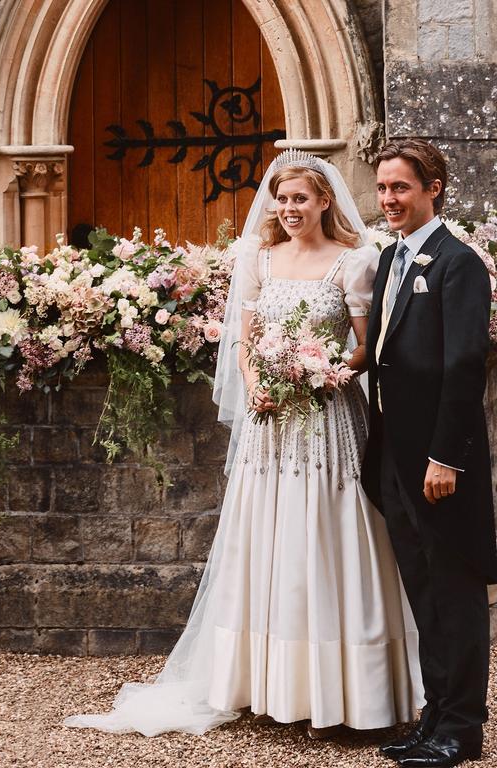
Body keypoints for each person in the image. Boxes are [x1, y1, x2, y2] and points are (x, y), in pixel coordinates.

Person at [65, 150, 422, 738]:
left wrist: (325, 373)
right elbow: (244, 343)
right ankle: (265, 683)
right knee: (269, 536)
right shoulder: (258, 258)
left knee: (329, 537)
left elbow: (366, 346)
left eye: (300, 199)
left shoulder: (354, 262)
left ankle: (346, 690)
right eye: (282, 200)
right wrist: (260, 385)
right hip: (270, 424)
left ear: (324, 202)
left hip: (327, 421)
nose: (288, 210)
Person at [362, 139, 496, 768]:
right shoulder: (391, 260)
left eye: (401, 189)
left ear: (433, 187)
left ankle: (463, 728)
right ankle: (434, 717)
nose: (388, 200)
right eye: (383, 188)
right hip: (395, 455)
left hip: (442, 465)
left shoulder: (459, 263)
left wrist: (446, 456)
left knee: (455, 591)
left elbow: (466, 366)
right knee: (422, 591)